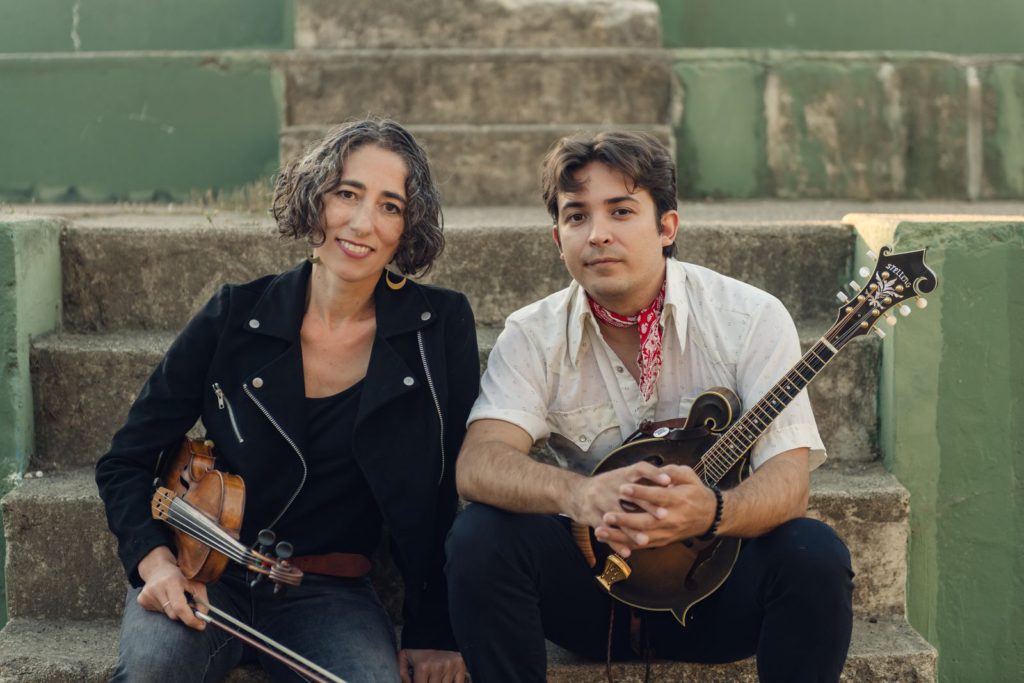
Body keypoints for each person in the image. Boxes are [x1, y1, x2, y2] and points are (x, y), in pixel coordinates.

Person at [445, 131, 854, 682]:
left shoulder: (750, 318)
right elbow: (478, 463)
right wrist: (580, 494)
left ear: (667, 227)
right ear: (558, 239)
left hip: (713, 590)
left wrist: (713, 512)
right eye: (577, 216)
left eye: (621, 211)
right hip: (597, 594)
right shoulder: (532, 334)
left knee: (815, 553)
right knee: (480, 538)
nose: (598, 234)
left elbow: (789, 482)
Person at [96, 119, 476, 683]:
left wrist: (434, 629)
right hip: (207, 572)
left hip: (329, 593)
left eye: (390, 206)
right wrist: (156, 565)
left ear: (408, 226)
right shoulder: (234, 315)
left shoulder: (435, 327)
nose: (362, 223)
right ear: (313, 198)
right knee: (153, 670)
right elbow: (125, 462)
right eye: (346, 194)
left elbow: (444, 492)